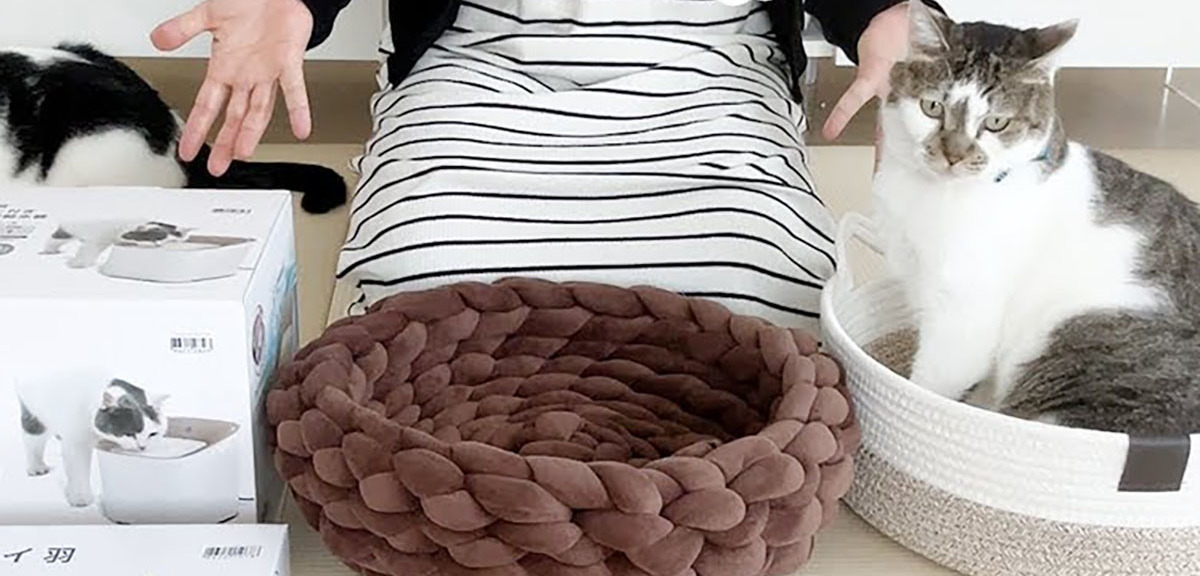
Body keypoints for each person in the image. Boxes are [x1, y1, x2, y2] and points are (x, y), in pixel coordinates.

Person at [151, 0, 941, 329]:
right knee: (420, 278)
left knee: (770, 287)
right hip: (481, 69)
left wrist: (890, 17)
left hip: (704, 75)